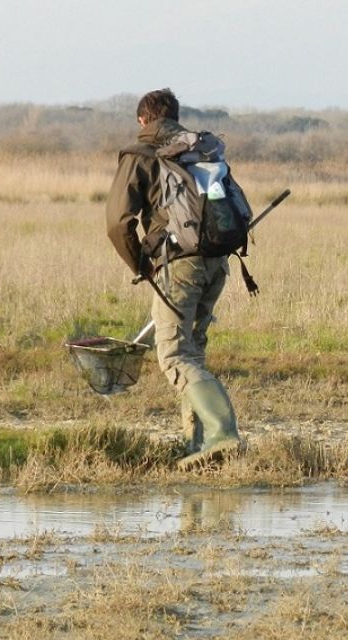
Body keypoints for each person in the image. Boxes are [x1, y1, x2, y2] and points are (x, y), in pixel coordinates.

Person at [106, 88, 242, 470]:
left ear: (141, 120)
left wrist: (140, 266)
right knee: (192, 350)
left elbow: (117, 223)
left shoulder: (141, 154)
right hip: (217, 262)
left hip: (179, 265)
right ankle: (196, 445)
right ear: (175, 116)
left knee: (175, 355)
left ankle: (222, 435)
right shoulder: (199, 149)